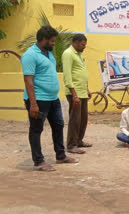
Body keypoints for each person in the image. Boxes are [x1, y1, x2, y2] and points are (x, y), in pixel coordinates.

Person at [21, 26, 78, 172]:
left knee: (58, 125)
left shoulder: (48, 53)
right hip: (38, 99)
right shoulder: (30, 55)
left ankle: (60, 155)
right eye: (52, 41)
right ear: (43, 39)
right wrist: (33, 104)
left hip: (53, 98)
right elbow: (28, 81)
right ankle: (38, 161)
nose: (54, 43)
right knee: (36, 129)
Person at [62, 34, 92, 154]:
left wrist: (87, 89)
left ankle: (79, 141)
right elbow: (67, 76)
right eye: (82, 44)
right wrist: (74, 94)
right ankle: (71, 145)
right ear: (75, 42)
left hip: (82, 92)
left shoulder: (79, 55)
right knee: (75, 119)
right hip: (74, 93)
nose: (84, 47)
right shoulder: (68, 54)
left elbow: (81, 73)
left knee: (83, 119)